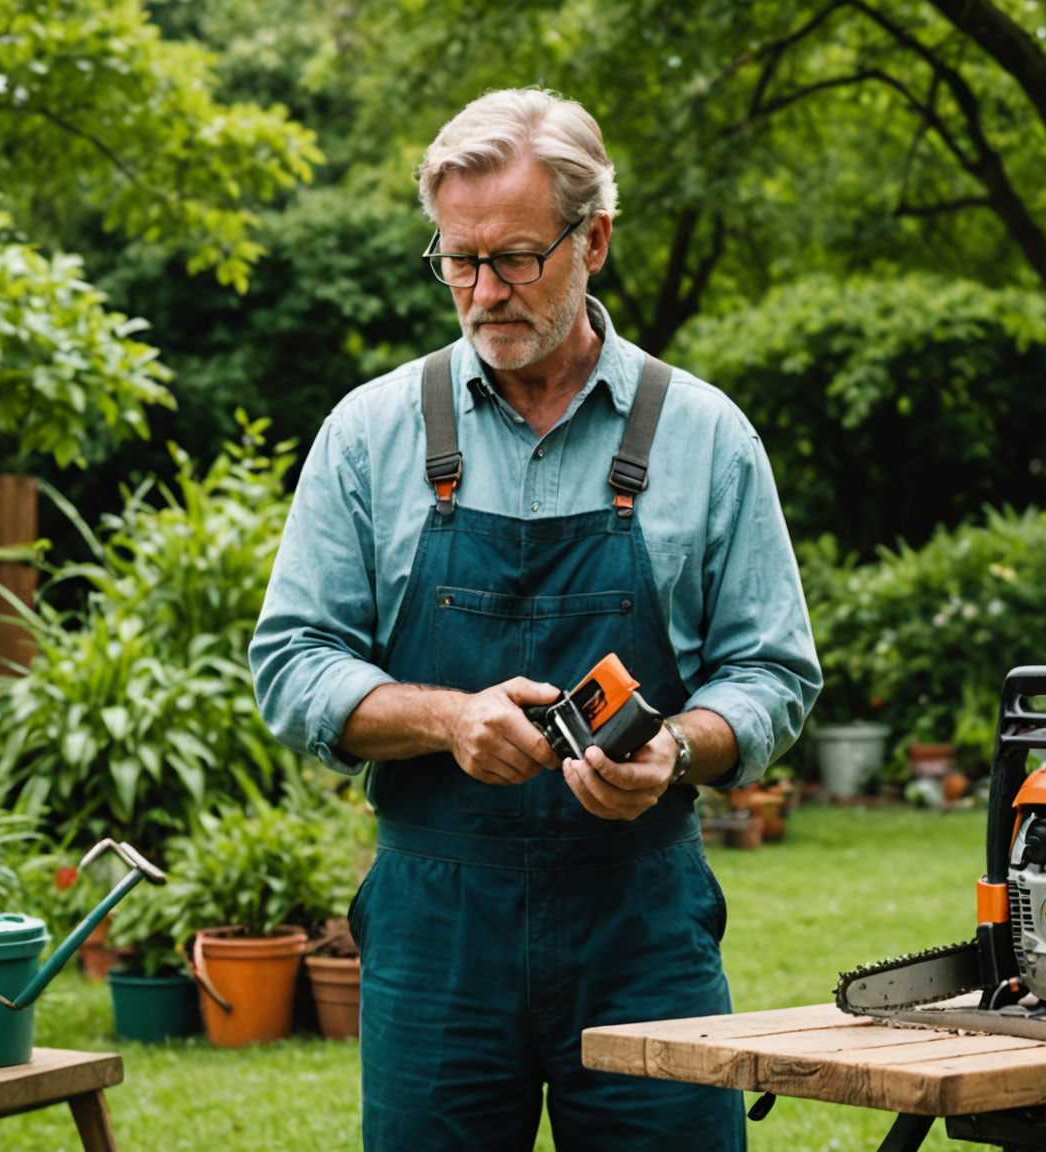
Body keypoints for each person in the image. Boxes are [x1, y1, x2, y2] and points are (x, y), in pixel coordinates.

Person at [250, 88, 820, 1152]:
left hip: (641, 925)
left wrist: (677, 748)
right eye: (458, 261)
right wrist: (446, 719)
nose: (482, 293)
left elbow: (773, 671)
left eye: (514, 258)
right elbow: (291, 662)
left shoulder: (705, 436)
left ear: (592, 241)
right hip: (436, 932)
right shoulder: (370, 433)